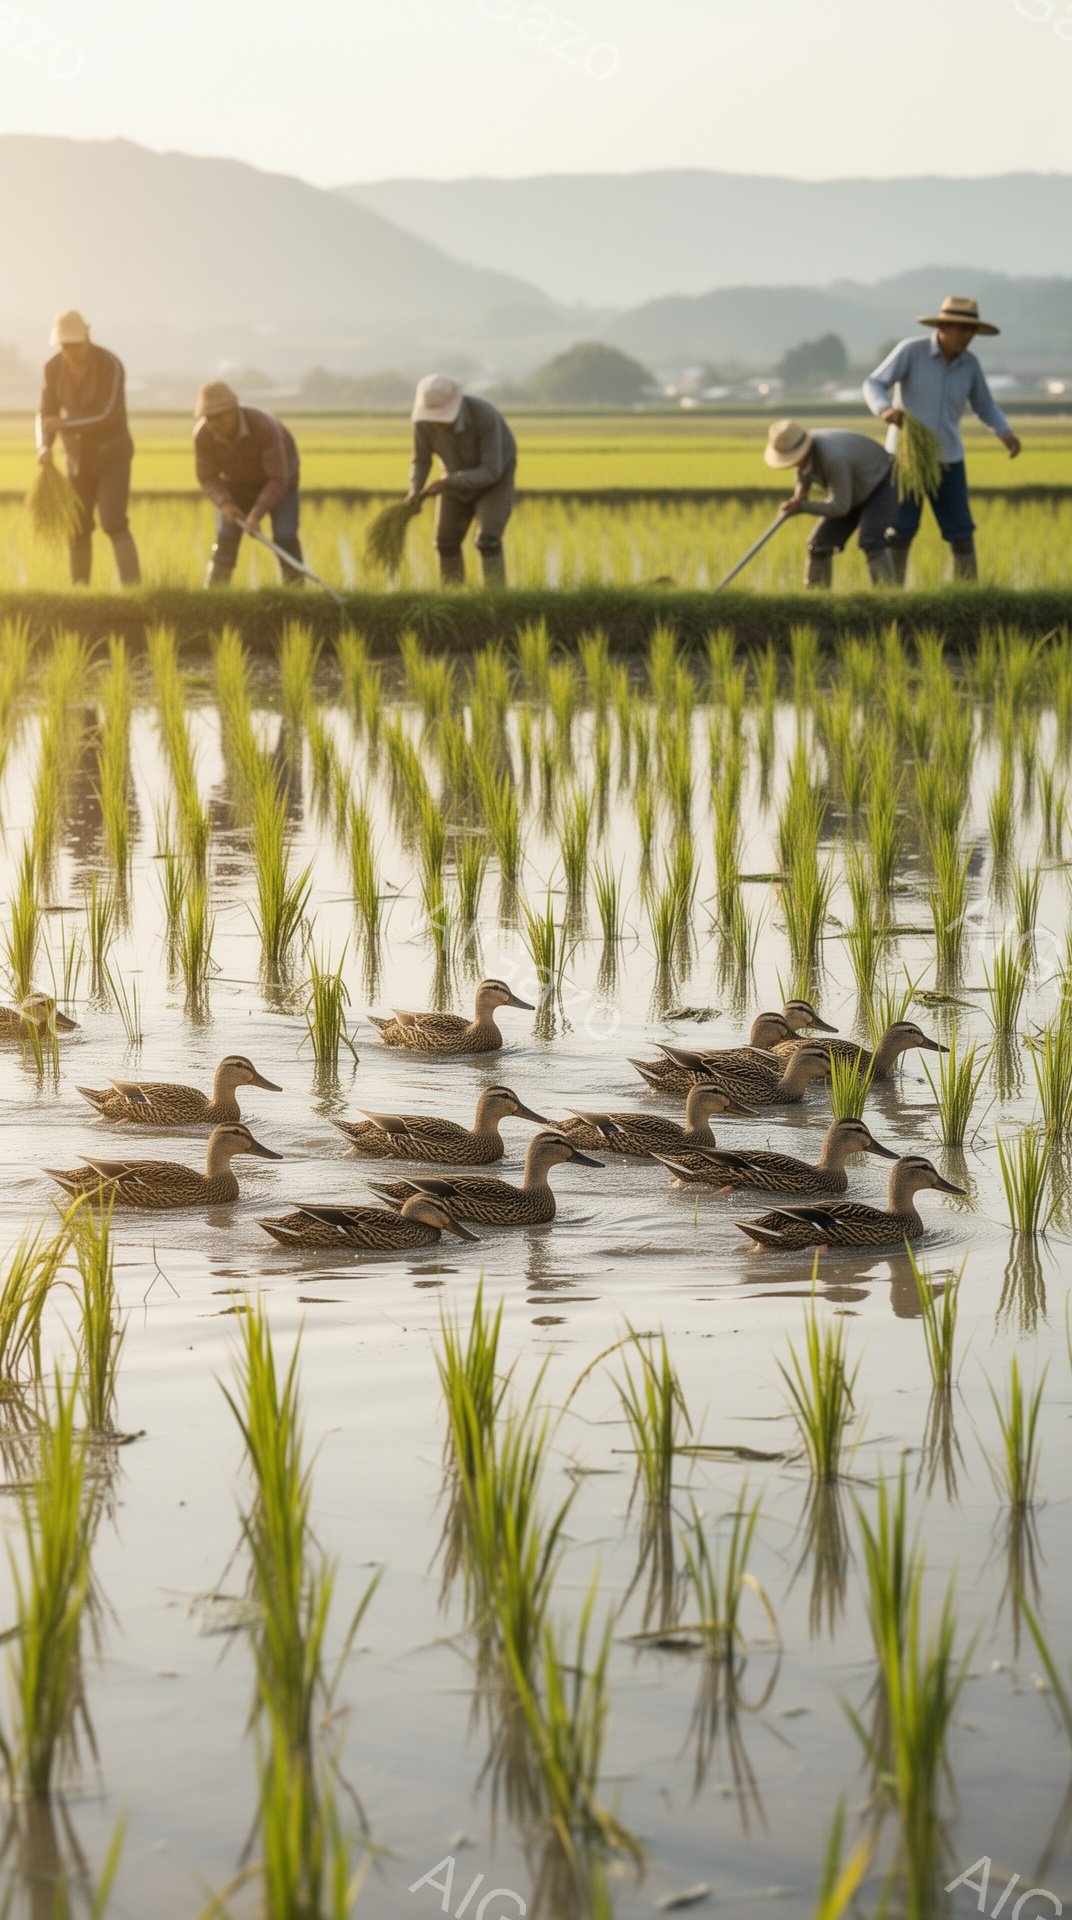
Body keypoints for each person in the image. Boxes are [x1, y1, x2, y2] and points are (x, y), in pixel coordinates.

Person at [863, 295, 1021, 583]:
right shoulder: (911, 352)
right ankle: (893, 596)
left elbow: (984, 404)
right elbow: (873, 382)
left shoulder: (970, 365)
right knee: (899, 528)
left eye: (971, 330)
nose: (967, 336)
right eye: (961, 329)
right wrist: (884, 408)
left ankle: (967, 594)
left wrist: (1005, 432)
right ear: (943, 327)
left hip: (949, 459)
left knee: (961, 529)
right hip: (905, 459)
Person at [36, 310, 140, 587]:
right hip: (77, 459)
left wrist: (66, 426)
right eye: (65, 345)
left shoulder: (110, 365)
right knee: (77, 526)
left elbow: (108, 415)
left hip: (112, 455)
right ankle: (80, 592)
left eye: (75, 345)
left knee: (113, 521)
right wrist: (44, 446)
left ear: (87, 338)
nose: (71, 351)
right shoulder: (53, 368)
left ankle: (133, 590)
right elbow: (45, 413)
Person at [407, 376, 517, 586]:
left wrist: (448, 482)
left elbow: (491, 471)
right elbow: (421, 459)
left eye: (441, 417)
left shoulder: (485, 416)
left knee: (487, 541)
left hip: (494, 481)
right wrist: (415, 490)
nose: (437, 423)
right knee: (444, 542)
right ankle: (452, 600)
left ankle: (496, 600)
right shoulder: (422, 423)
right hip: (453, 476)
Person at [193, 382, 303, 587]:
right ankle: (215, 594)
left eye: (221, 415)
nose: (215, 423)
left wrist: (257, 513)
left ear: (234, 409)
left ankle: (296, 591)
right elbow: (207, 476)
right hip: (235, 486)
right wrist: (224, 503)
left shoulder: (264, 427)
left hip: (281, 483)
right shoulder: (203, 435)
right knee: (226, 536)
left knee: (285, 536)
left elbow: (278, 478)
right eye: (209, 417)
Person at [765, 419, 898, 587]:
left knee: (871, 540)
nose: (791, 462)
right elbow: (803, 473)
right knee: (818, 544)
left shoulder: (832, 458)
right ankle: (817, 602)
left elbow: (840, 507)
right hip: (854, 488)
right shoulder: (806, 453)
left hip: (882, 481)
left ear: (803, 450)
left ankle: (888, 598)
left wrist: (802, 507)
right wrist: (799, 494)